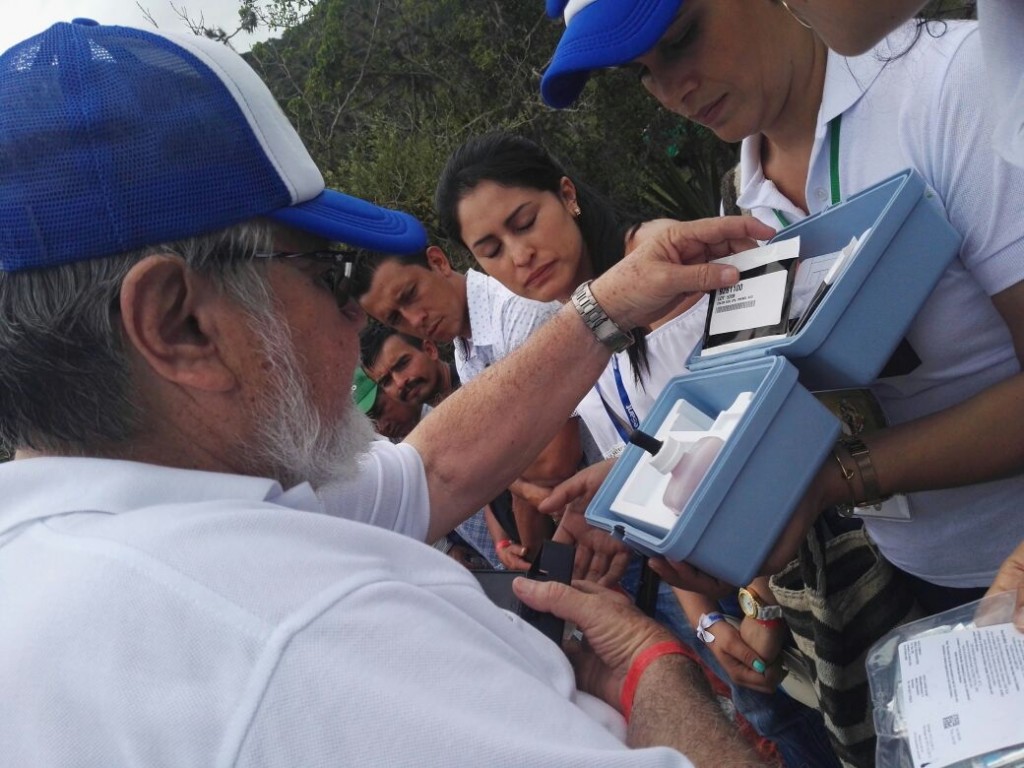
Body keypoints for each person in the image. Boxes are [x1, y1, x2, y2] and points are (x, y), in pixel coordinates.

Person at [0, 19, 780, 765]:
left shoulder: (71, 552)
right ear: (181, 327)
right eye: (330, 274)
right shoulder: (309, 639)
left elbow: (431, 473)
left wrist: (603, 306)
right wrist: (652, 666)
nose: (358, 325)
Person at [436, 130, 840, 768]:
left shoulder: (671, 260)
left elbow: (777, 415)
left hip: (813, 562)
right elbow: (656, 480)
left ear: (566, 195)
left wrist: (759, 596)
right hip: (724, 594)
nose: (520, 255)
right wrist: (707, 622)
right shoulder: (581, 325)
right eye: (491, 249)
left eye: (524, 222)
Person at [353, 245, 580, 569]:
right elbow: (508, 458)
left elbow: (552, 462)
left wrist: (496, 469)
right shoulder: (467, 350)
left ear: (438, 261)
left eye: (411, 295)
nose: (414, 319)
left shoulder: (517, 313)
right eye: (395, 317)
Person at [360, 322, 458, 408]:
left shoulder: (471, 376)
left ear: (430, 350)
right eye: (386, 381)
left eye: (402, 364)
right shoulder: (433, 425)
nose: (400, 383)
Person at [353, 364, 424, 439]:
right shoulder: (391, 447)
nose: (382, 427)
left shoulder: (435, 404)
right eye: (372, 423)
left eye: (380, 411)